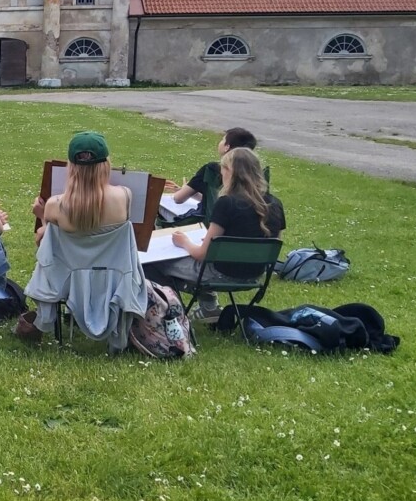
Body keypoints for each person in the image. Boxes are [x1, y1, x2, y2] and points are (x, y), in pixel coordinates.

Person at [20, 132, 147, 349]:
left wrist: (42, 216)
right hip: (113, 278)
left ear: (71, 167)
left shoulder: (55, 205)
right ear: (106, 165)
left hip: (67, 278)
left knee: (45, 246)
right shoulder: (124, 196)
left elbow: (46, 243)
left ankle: (43, 321)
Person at [152, 146, 286, 322]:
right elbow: (273, 246)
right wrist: (218, 245)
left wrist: (184, 242)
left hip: (220, 273)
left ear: (230, 172)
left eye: (223, 168)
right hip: (255, 274)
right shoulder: (275, 204)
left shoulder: (227, 203)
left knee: (152, 262)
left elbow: (202, 254)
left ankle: (171, 314)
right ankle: (208, 307)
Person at [166, 127, 257, 208]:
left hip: (210, 220)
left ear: (227, 147)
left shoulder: (211, 170)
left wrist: (185, 189)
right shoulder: (255, 174)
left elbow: (178, 198)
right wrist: (193, 193)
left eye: (223, 140)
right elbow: (214, 200)